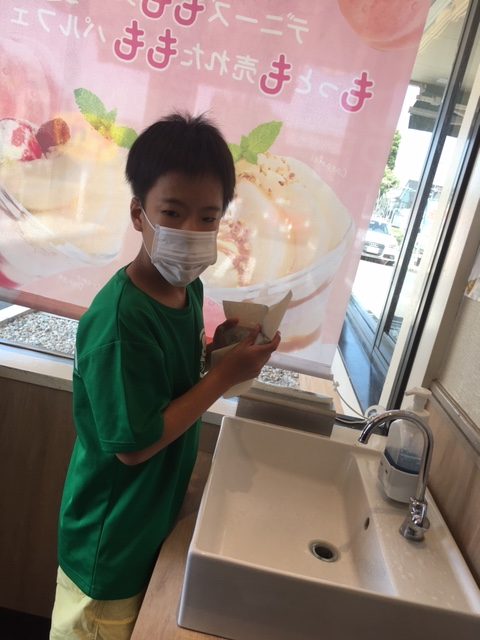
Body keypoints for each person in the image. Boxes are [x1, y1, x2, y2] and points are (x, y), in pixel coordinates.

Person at [49, 112, 280, 639]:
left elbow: (171, 384)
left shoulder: (187, 290)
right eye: (172, 213)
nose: (191, 232)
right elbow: (133, 447)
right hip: (111, 540)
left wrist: (219, 356)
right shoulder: (121, 321)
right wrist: (223, 379)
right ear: (139, 213)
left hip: (146, 521)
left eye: (208, 217)